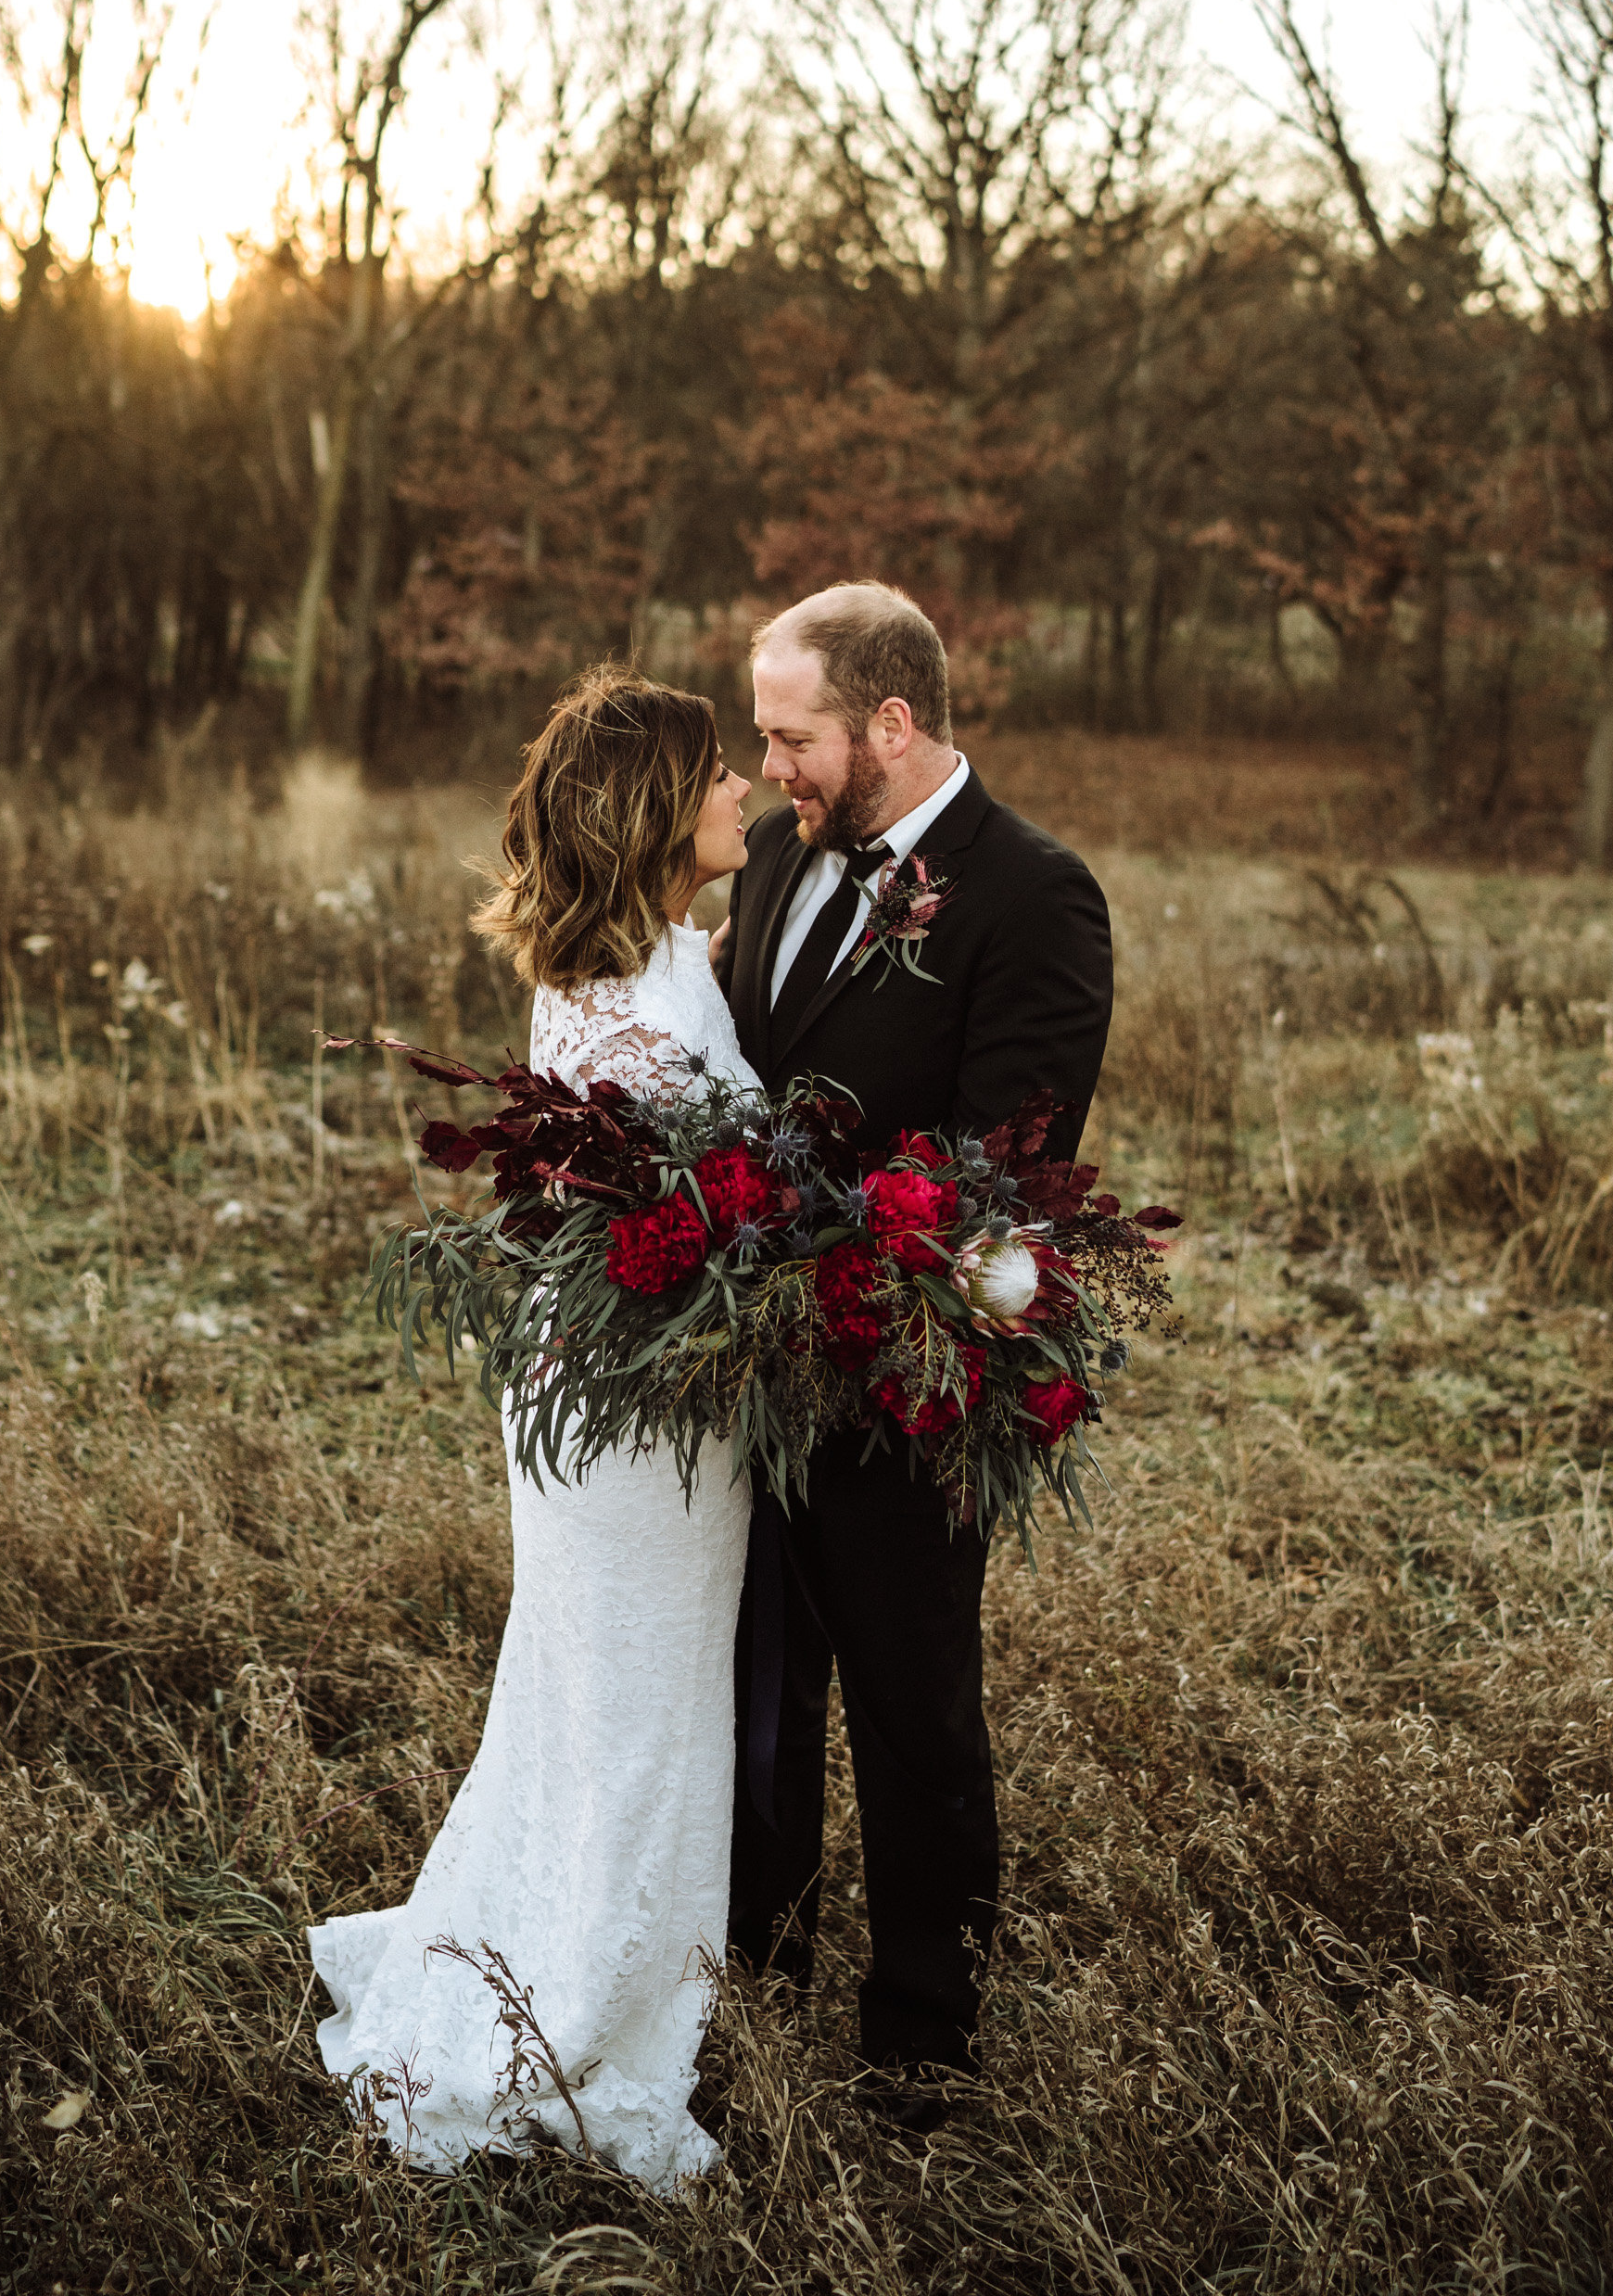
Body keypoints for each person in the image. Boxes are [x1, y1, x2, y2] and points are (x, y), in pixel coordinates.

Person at [308, 669, 759, 2195]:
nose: (744, 789)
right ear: (654, 809)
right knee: (625, 1706)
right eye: (716, 775)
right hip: (636, 1411)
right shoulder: (626, 1005)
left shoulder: (662, 958)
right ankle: (577, 2011)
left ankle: (597, 1963)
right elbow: (703, 1221)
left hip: (642, 1392)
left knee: (610, 1696)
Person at [715, 581, 1112, 2127]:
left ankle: (922, 2047)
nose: (766, 771)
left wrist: (839, 1280)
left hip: (903, 1373)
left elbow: (1010, 1158)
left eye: (790, 736)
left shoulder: (1032, 893)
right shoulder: (766, 861)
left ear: (890, 723)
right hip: (741, 1371)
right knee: (756, 1687)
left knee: (911, 1700)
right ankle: (757, 1972)